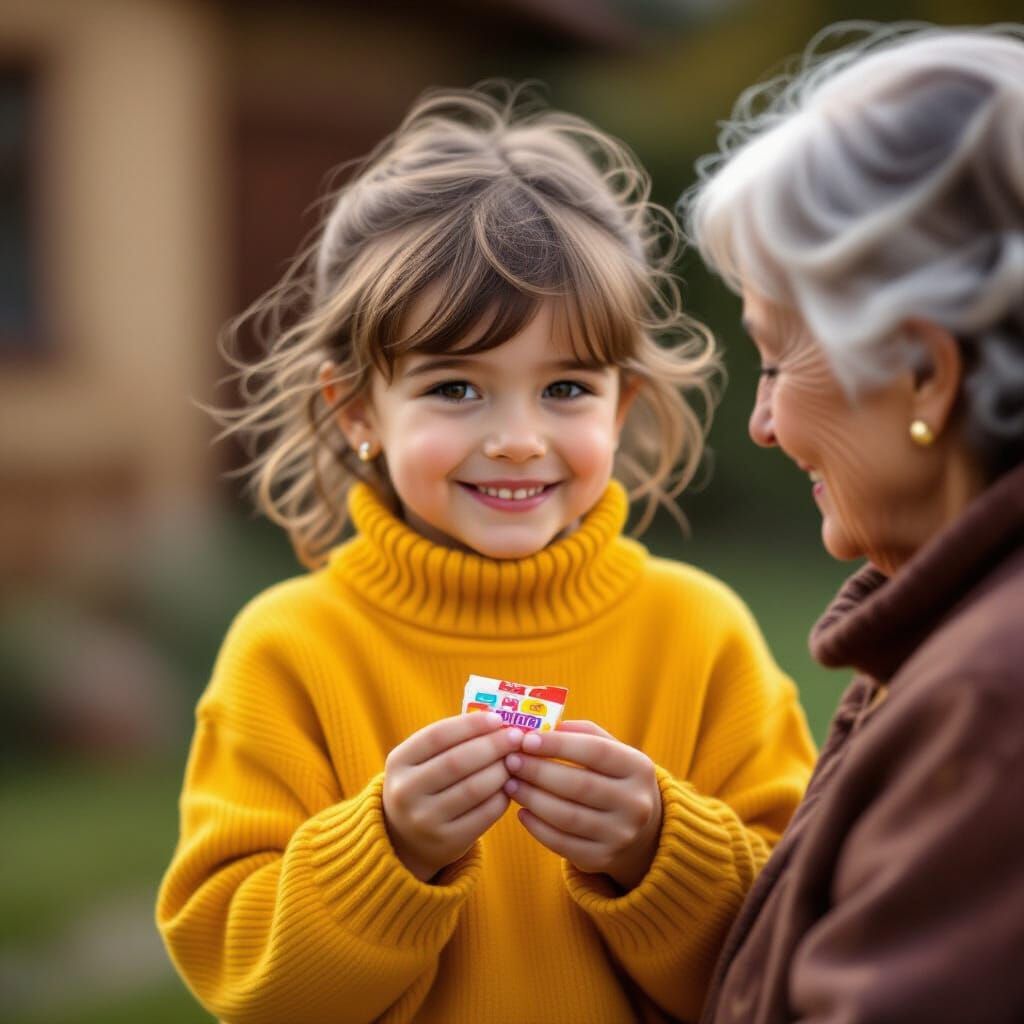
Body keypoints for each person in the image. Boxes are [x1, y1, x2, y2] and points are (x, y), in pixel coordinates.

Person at [155, 86, 816, 1024]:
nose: (515, 438)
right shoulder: (289, 652)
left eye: (566, 388)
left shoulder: (700, 635)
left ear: (620, 407)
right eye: (458, 386)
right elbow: (246, 981)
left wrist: (659, 852)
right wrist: (386, 852)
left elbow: (795, 947)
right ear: (356, 411)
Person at [682, 22, 1024, 1023]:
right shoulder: (952, 642)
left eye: (777, 360)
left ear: (924, 370)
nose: (759, 420)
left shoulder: (988, 705)